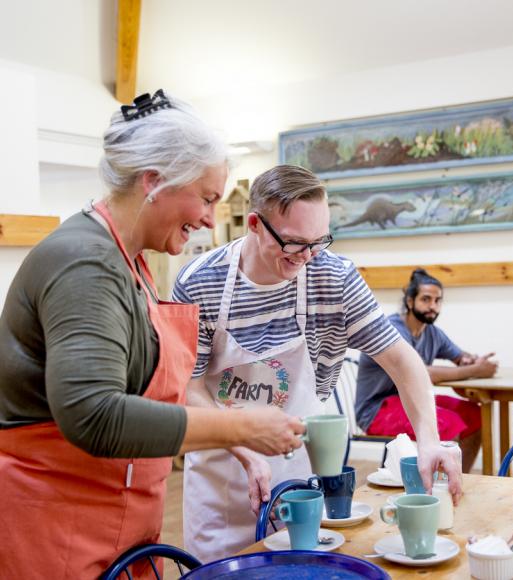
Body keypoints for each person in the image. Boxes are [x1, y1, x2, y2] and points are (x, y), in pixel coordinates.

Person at [0, 90, 305, 578]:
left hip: (116, 525)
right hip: (58, 527)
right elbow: (93, 415)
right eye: (206, 198)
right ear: (154, 181)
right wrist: (243, 426)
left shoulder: (131, 263)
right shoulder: (86, 262)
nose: (209, 218)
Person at [173, 164, 463, 563]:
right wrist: (241, 446)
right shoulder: (199, 282)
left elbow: (402, 361)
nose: (307, 257)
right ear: (255, 224)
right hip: (222, 472)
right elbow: (187, 385)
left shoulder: (334, 277)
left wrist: (428, 439)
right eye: (294, 243)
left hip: (298, 470)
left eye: (319, 241)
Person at [355, 268, 498, 472]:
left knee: (475, 415)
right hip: (377, 409)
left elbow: (460, 356)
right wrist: (476, 370)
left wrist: (472, 360)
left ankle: (459, 479)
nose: (433, 306)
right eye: (426, 299)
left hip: (411, 399)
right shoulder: (391, 329)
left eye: (437, 300)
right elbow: (421, 374)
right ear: (410, 302)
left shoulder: (432, 333)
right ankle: (440, 491)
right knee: (448, 423)